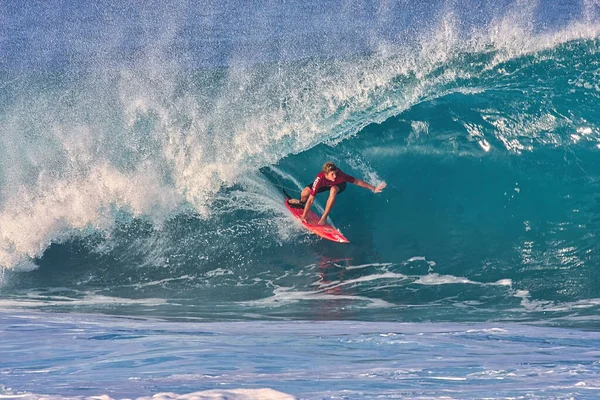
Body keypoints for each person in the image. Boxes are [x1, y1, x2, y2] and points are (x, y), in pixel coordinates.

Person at [288, 161, 386, 225]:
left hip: (339, 185)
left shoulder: (340, 176)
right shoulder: (319, 179)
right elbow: (311, 198)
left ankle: (324, 217)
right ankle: (301, 203)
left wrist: (373, 188)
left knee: (333, 189)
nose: (335, 176)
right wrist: (304, 215)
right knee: (305, 192)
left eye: (335, 173)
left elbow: (356, 181)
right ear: (325, 174)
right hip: (324, 185)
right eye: (332, 174)